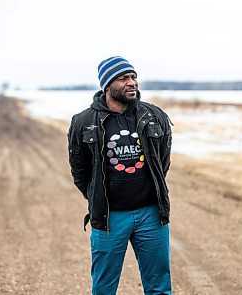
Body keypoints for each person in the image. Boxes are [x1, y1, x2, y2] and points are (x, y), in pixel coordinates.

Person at [67, 56, 173, 295]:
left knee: (159, 287)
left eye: (133, 77)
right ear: (107, 85)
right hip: (109, 218)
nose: (131, 82)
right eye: (123, 78)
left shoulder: (154, 116)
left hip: (151, 215)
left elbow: (162, 161)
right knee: (104, 287)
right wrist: (96, 197)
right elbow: (80, 170)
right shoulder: (84, 122)